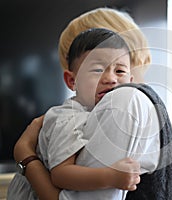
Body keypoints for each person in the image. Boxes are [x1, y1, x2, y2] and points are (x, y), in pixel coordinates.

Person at [12, 7, 172, 200]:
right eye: (97, 69)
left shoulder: (122, 101)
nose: (109, 78)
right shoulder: (147, 102)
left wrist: (25, 154)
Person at [8, 27, 142, 199]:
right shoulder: (68, 117)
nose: (111, 78)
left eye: (120, 71)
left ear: (131, 82)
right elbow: (61, 175)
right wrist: (111, 176)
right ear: (72, 81)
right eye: (97, 70)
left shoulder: (116, 116)